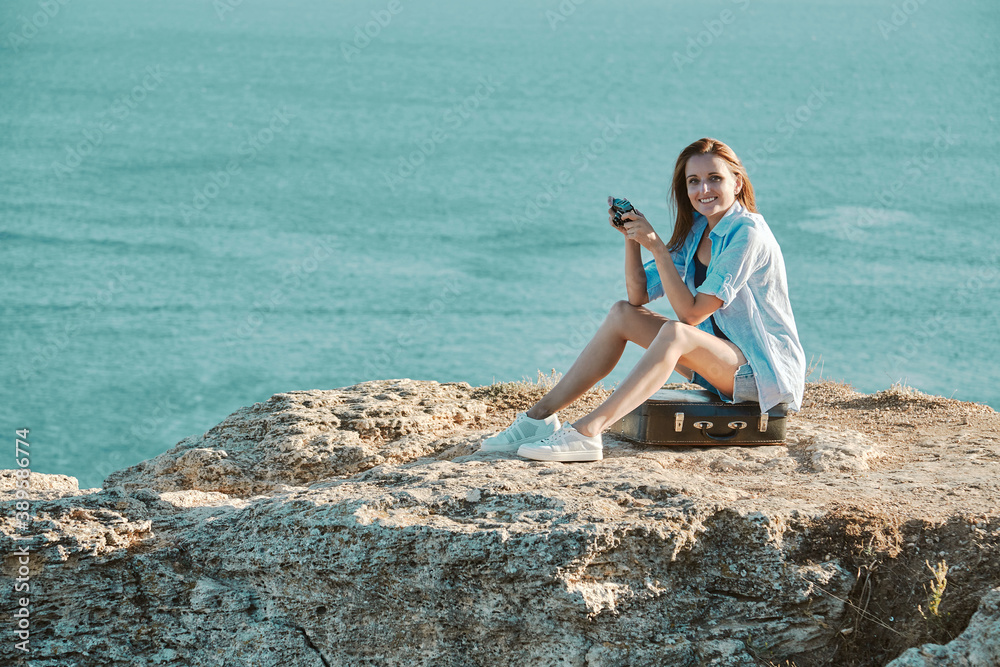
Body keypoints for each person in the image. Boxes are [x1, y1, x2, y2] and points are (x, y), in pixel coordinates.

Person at [480, 137, 806, 462]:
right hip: (719, 364)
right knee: (623, 313)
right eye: (694, 181)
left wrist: (658, 248)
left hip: (761, 376)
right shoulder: (697, 232)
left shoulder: (747, 233)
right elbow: (637, 296)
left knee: (677, 332)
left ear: (737, 183)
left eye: (714, 178)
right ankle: (539, 418)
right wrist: (633, 239)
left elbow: (691, 315)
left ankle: (588, 432)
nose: (703, 189)